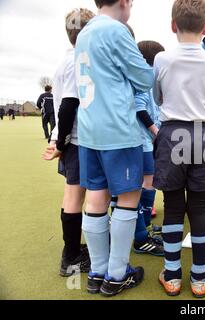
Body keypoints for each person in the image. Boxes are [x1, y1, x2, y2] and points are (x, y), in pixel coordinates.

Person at [75, 0, 154, 297]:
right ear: (123, 2)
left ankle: (97, 272)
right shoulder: (117, 30)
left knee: (96, 198)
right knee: (129, 199)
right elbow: (145, 79)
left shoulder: (84, 32)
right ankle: (118, 274)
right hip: (118, 130)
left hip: (89, 131)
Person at [153, 0, 205, 298]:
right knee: (198, 207)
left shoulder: (161, 59)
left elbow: (157, 98)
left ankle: (172, 275)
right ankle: (199, 278)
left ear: (173, 25)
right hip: (204, 134)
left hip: (172, 133)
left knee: (172, 207)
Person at [42, 8, 95, 277]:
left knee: (72, 195)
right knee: (75, 196)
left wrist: (56, 139)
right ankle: (71, 257)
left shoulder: (67, 59)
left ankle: (72, 250)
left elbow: (61, 105)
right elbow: (68, 106)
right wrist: (62, 143)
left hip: (71, 139)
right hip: (77, 140)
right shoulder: (79, 60)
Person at [132, 40, 165, 256]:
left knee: (146, 182)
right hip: (141, 140)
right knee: (145, 183)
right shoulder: (143, 80)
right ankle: (141, 237)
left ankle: (145, 229)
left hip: (145, 141)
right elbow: (139, 108)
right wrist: (155, 131)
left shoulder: (149, 80)